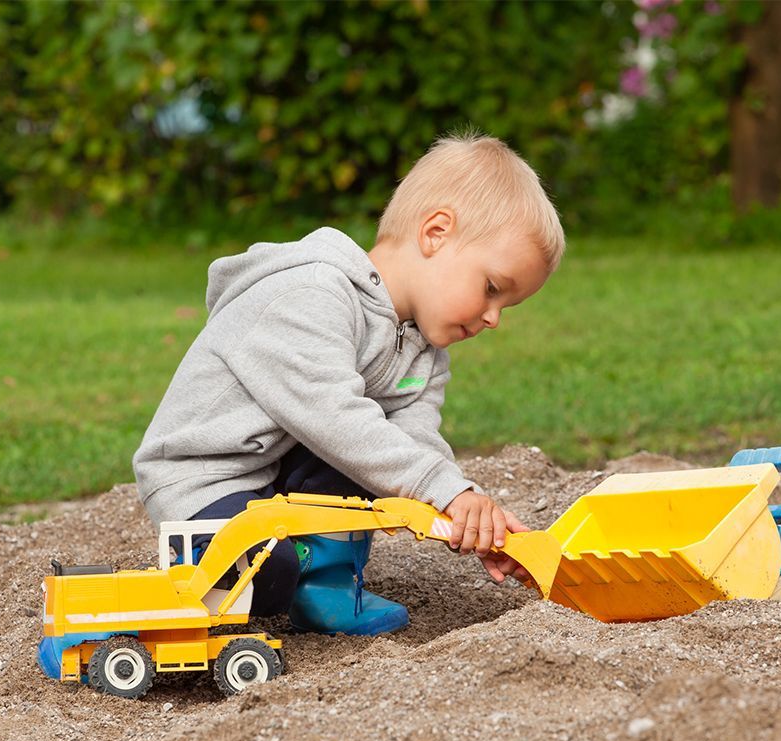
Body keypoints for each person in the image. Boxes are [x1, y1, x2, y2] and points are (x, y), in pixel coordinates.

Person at [133, 131, 565, 635]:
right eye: (491, 288)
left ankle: (327, 582)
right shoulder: (310, 293)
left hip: (279, 469)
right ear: (436, 233)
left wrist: (463, 510)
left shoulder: (426, 350)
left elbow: (412, 443)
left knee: (379, 455)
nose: (494, 318)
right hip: (207, 480)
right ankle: (260, 572)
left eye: (504, 306)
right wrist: (440, 490)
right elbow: (333, 419)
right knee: (267, 578)